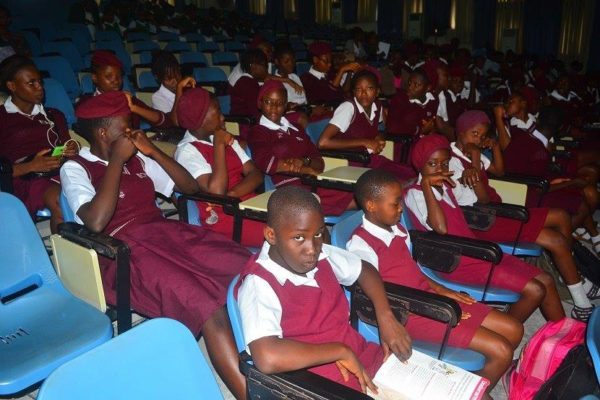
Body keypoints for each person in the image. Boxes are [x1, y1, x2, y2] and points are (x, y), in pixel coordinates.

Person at [61, 91, 250, 399]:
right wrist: (117, 161)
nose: (132, 133)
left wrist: (152, 152)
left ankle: (271, 354)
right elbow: (95, 222)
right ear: (103, 132)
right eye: (126, 128)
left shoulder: (138, 159)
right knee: (205, 304)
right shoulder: (75, 168)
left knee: (244, 265)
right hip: (123, 253)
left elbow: (189, 189)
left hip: (165, 234)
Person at [348, 169, 523, 392]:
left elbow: (412, 272)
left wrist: (442, 291)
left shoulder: (398, 228)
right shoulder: (361, 244)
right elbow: (374, 291)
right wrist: (437, 307)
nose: (401, 208)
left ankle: (474, 379)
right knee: (502, 350)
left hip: (429, 297)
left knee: (514, 328)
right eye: (395, 204)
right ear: (372, 205)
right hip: (409, 312)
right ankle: (469, 393)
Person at [236, 186, 412, 393]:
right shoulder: (259, 283)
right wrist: (338, 351)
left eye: (319, 234)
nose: (312, 248)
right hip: (320, 385)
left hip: (364, 357)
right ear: (271, 235)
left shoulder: (321, 255)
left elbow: (365, 270)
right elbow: (266, 356)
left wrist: (386, 317)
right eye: (299, 238)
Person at [403, 134, 567, 323]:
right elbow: (440, 228)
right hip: (456, 261)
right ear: (420, 166)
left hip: (476, 252)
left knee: (545, 279)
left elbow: (481, 200)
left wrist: (472, 171)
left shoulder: (447, 186)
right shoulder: (416, 194)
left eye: (445, 164)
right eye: (432, 164)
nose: (440, 169)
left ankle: (565, 338)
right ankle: (507, 331)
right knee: (535, 290)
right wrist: (425, 184)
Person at [450, 110, 595, 320]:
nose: (478, 140)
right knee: (554, 239)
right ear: (460, 133)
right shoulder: (453, 161)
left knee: (561, 217)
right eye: (474, 134)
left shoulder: (472, 152)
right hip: (481, 220)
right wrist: (474, 159)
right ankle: (580, 298)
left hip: (495, 211)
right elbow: (483, 200)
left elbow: (499, 171)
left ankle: (572, 276)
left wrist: (495, 147)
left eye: (481, 136)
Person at [498, 98, 600, 253]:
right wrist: (566, 183)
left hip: (540, 177)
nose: (507, 104)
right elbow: (535, 183)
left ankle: (581, 235)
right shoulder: (514, 131)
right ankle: (570, 243)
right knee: (579, 201)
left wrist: (558, 180)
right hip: (526, 188)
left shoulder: (534, 133)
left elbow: (541, 169)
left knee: (586, 190)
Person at [247, 80, 356, 216]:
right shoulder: (258, 131)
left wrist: (305, 161)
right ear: (260, 103)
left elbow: (319, 162)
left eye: (280, 103)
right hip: (289, 189)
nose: (274, 107)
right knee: (362, 197)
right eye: (269, 102)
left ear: (286, 106)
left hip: (311, 182)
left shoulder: (296, 128)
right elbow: (266, 163)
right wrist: (305, 169)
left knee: (358, 191)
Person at [175, 87, 265, 247]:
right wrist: (218, 145)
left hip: (246, 204)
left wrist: (233, 193)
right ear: (200, 119)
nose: (223, 117)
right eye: (217, 112)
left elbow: (256, 174)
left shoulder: (222, 136)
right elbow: (216, 193)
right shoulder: (187, 151)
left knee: (301, 218)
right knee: (288, 232)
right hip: (222, 217)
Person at [0, 55, 78, 232]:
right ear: (12, 86)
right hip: (24, 179)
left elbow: (67, 145)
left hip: (60, 171)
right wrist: (31, 166)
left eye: (40, 82)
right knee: (63, 200)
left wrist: (72, 149)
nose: (40, 88)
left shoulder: (53, 115)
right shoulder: (2, 118)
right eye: (31, 83)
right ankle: (68, 256)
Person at [317, 69, 415, 181]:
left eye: (369, 88)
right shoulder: (348, 108)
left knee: (410, 173)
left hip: (368, 159)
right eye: (359, 89)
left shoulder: (378, 106)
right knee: (395, 181)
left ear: (377, 91)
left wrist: (379, 137)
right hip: (350, 161)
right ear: (354, 92)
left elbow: (380, 130)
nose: (363, 93)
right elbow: (323, 143)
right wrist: (365, 142)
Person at [88, 50, 171, 130]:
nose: (116, 81)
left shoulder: (128, 99)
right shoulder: (87, 104)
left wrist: (133, 108)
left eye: (119, 76)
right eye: (109, 76)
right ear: (95, 78)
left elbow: (164, 121)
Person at [300, 41, 360, 105]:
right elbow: (329, 98)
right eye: (326, 61)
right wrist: (341, 71)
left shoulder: (330, 74)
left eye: (330, 60)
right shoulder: (306, 79)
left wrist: (349, 71)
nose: (330, 64)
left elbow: (343, 92)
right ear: (315, 60)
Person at [150, 50, 196, 125]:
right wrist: (179, 89)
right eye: (169, 78)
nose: (176, 81)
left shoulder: (188, 88)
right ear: (158, 78)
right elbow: (175, 122)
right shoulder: (157, 97)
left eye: (177, 74)